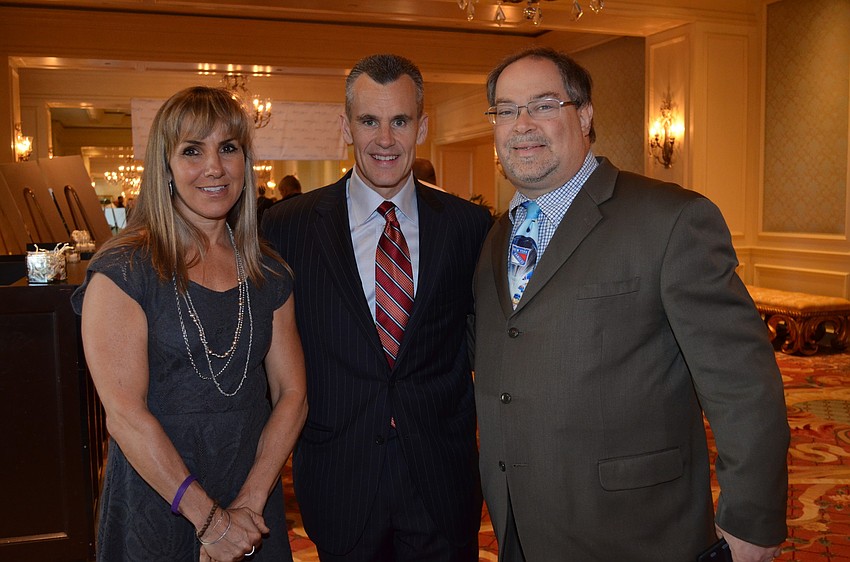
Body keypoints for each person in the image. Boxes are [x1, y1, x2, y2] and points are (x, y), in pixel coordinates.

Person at [473, 46, 790, 562]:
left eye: (544, 105)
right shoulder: (496, 238)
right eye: (505, 110)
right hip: (520, 523)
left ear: (585, 115)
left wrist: (753, 522)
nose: (521, 123)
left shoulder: (670, 220)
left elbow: (743, 383)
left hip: (635, 529)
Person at [262, 53, 490, 561]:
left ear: (422, 127)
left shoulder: (468, 227)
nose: (385, 139)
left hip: (441, 479)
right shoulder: (287, 228)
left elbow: (486, 344)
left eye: (400, 121)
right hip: (340, 477)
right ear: (345, 127)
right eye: (369, 121)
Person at [71, 86, 307, 562]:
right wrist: (210, 521)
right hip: (158, 497)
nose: (214, 167)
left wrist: (247, 504)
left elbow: (292, 395)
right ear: (166, 168)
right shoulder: (124, 270)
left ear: (245, 161)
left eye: (228, 148)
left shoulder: (269, 271)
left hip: (249, 494)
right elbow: (124, 416)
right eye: (192, 150)